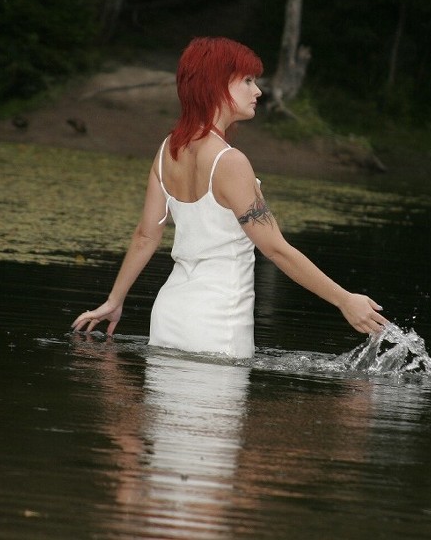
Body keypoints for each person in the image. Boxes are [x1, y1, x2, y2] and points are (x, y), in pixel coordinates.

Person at [71, 37, 388, 358]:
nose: (258, 91)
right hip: (217, 322)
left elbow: (145, 236)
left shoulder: (168, 150)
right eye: (248, 80)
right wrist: (344, 300)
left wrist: (115, 300)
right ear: (217, 84)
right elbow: (275, 249)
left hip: (169, 315)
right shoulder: (230, 162)